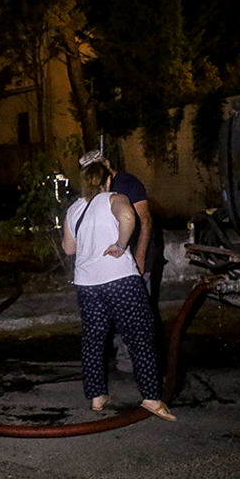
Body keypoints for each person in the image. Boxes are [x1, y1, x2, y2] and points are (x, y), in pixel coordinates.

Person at [62, 162, 176, 421]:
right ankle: (151, 398)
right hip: (120, 280)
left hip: (87, 284)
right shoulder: (114, 198)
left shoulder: (74, 209)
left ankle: (97, 396)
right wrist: (121, 244)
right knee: (140, 335)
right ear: (107, 182)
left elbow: (69, 248)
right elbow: (128, 217)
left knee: (93, 340)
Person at [78, 149, 165, 372]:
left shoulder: (127, 183)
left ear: (106, 164)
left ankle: (141, 363)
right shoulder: (96, 190)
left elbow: (145, 220)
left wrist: (140, 257)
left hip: (135, 255)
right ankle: (126, 359)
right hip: (115, 261)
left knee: (139, 313)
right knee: (118, 312)